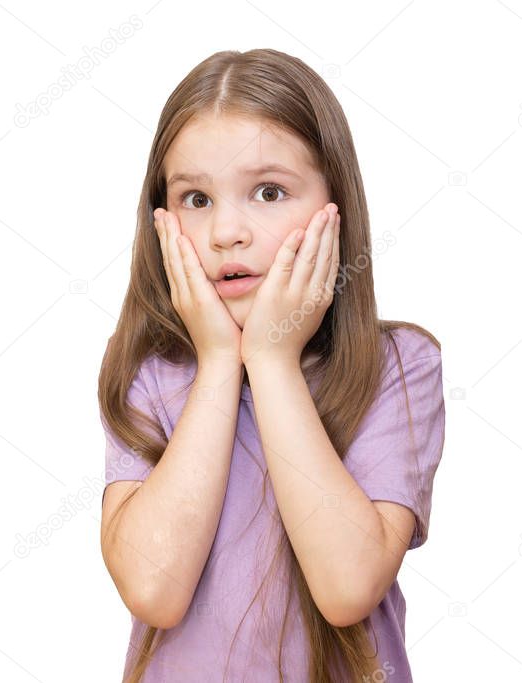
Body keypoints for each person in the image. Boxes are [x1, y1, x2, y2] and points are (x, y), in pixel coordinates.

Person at [98, 47, 445, 682]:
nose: (226, 231)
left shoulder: (399, 366)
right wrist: (219, 363)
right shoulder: (154, 375)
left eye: (267, 191)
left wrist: (273, 356)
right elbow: (153, 589)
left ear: (333, 206)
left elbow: (347, 587)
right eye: (196, 199)